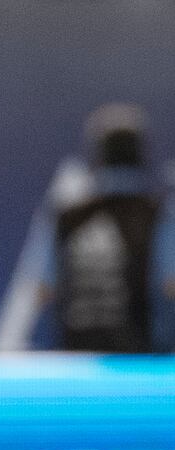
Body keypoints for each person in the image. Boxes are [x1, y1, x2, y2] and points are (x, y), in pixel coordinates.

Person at [37, 102, 175, 352]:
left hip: (76, 358)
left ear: (98, 157)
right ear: (141, 157)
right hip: (139, 361)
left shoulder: (66, 216)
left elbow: (44, 291)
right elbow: (170, 285)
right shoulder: (158, 216)